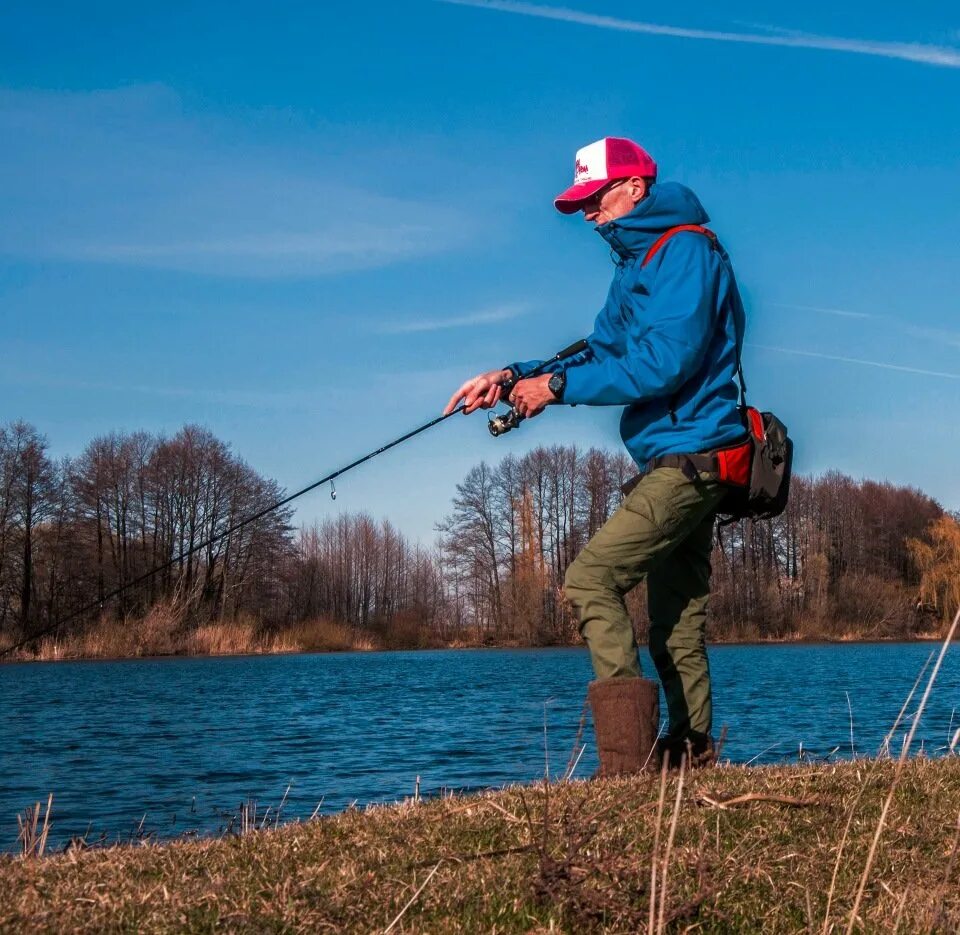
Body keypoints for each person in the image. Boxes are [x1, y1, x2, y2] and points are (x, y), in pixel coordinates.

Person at [444, 136, 748, 774]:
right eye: (579, 203)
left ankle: (625, 762)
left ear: (634, 188)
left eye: (594, 197)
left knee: (590, 581)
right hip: (677, 457)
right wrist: (512, 374)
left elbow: (664, 363)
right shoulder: (636, 265)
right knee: (675, 619)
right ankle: (688, 755)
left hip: (694, 454)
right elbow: (598, 352)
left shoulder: (683, 251)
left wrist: (554, 389)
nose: (587, 214)